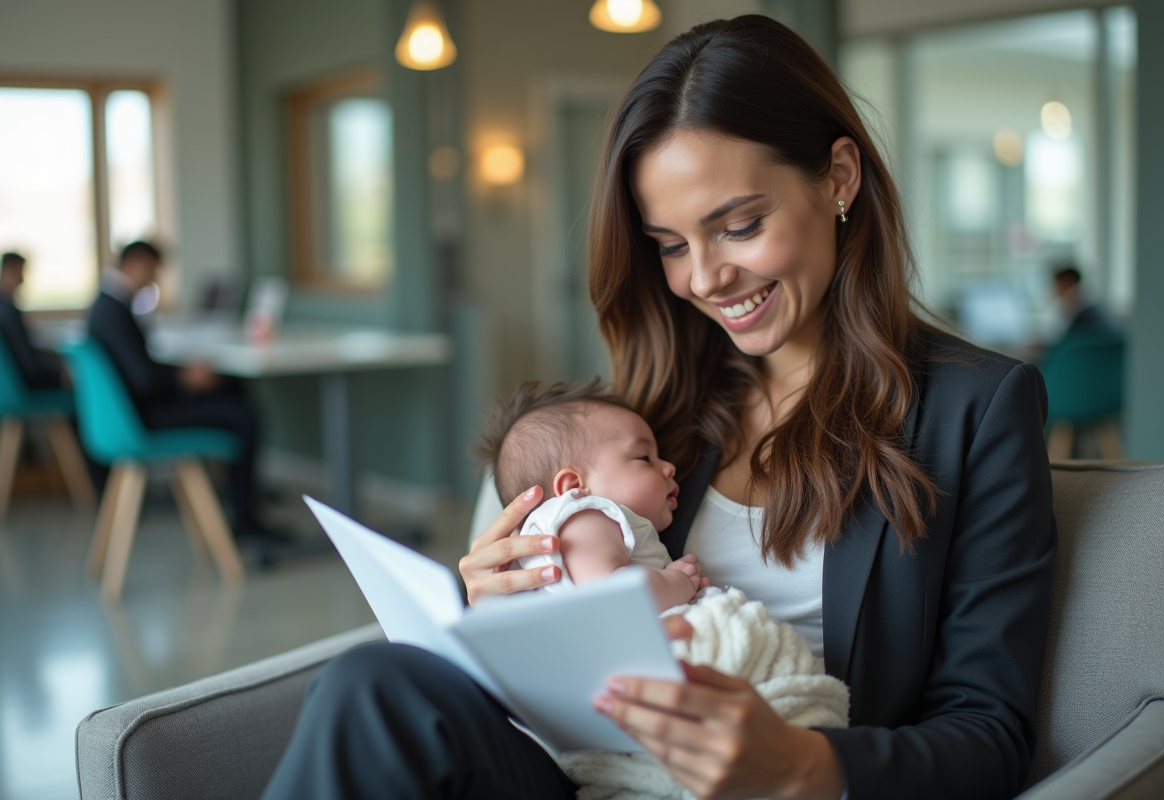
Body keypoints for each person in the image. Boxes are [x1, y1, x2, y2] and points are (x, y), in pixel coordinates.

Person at [261, 15, 1055, 800]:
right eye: (671, 245)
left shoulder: (974, 408)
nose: (704, 279)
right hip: (606, 773)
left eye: (739, 226)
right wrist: (502, 609)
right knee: (376, 684)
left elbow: (989, 729)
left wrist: (802, 767)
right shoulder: (649, 412)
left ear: (839, 177)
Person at [86, 241, 285, 544]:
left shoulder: (106, 305)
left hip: (127, 414)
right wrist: (184, 379)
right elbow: (143, 380)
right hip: (143, 418)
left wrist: (183, 376)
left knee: (232, 386)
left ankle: (240, 493)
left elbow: (138, 370)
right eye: (153, 270)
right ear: (137, 262)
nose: (154, 279)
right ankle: (245, 516)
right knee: (244, 414)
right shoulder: (114, 311)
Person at [475, 379, 707, 611]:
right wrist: (676, 583)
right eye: (644, 458)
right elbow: (612, 595)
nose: (669, 467)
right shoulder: (583, 517)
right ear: (574, 487)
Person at [0, 252, 68, 389]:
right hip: (23, 386)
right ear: (9, 270)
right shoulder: (9, 313)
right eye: (20, 272)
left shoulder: (5, 308)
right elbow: (29, 365)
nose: (23, 280)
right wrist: (60, 376)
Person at [1051, 262, 1114, 335]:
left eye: (1057, 284)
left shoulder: (1076, 304)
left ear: (1067, 282)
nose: (1055, 289)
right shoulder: (1088, 299)